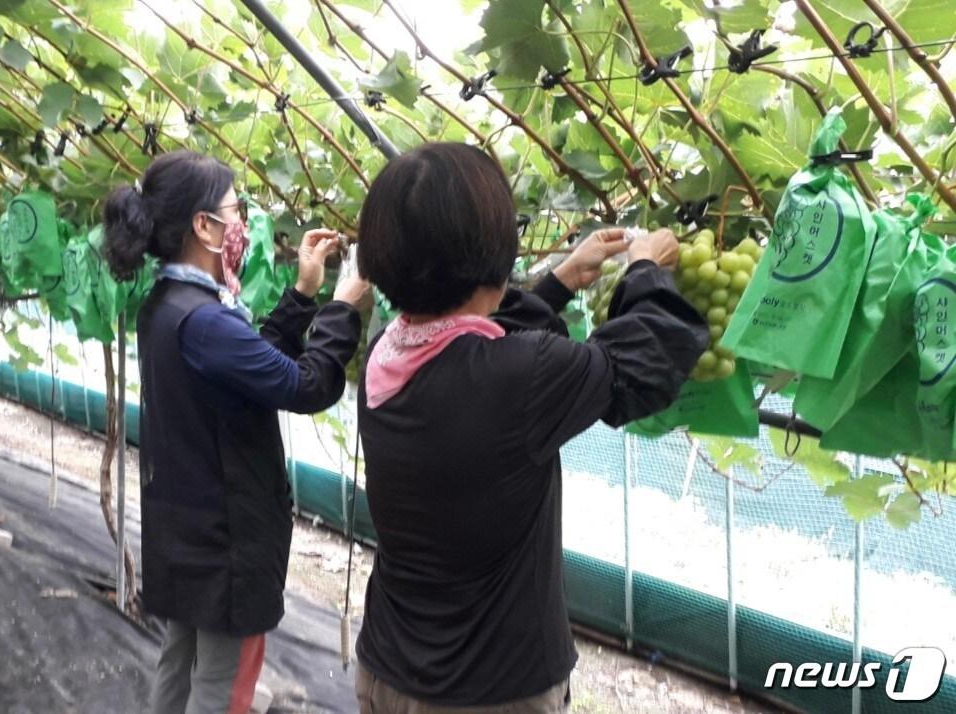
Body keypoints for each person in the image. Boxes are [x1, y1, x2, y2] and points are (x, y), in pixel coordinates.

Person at [352, 142, 709, 712]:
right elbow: (646, 360)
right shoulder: (521, 378)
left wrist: (560, 281)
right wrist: (646, 268)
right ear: (496, 250)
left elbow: (470, 334)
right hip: (491, 691)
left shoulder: (387, 352)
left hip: (389, 668)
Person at [103, 149, 370, 714]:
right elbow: (304, 386)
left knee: (177, 665)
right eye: (236, 210)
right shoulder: (204, 320)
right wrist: (342, 307)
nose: (243, 225)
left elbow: (251, 369)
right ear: (204, 225)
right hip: (224, 547)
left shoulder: (169, 306)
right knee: (221, 689)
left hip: (186, 534)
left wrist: (301, 295)